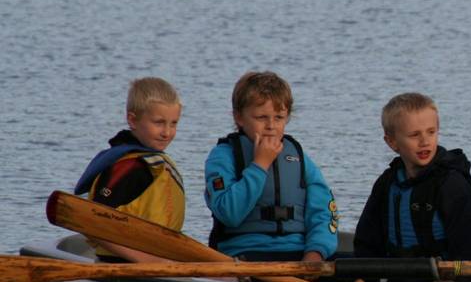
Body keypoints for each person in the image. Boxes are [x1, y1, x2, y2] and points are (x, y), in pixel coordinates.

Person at [204, 71, 340, 265]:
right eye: (261, 117)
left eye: (279, 117)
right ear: (239, 118)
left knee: (360, 270)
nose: (271, 126)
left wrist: (316, 252)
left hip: (298, 253)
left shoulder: (299, 157)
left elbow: (325, 211)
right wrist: (260, 165)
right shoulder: (223, 157)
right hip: (244, 254)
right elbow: (229, 214)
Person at [353, 92, 471, 282]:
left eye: (431, 132)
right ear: (392, 142)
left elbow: (468, 248)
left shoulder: (452, 185)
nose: (425, 141)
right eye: (414, 135)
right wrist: (363, 281)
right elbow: (368, 241)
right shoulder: (387, 183)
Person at [74, 77, 185, 262]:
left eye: (173, 123)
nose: (167, 132)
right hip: (124, 264)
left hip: (157, 263)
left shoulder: (150, 162)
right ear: (132, 120)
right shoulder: (131, 167)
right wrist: (148, 261)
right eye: (158, 123)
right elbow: (93, 223)